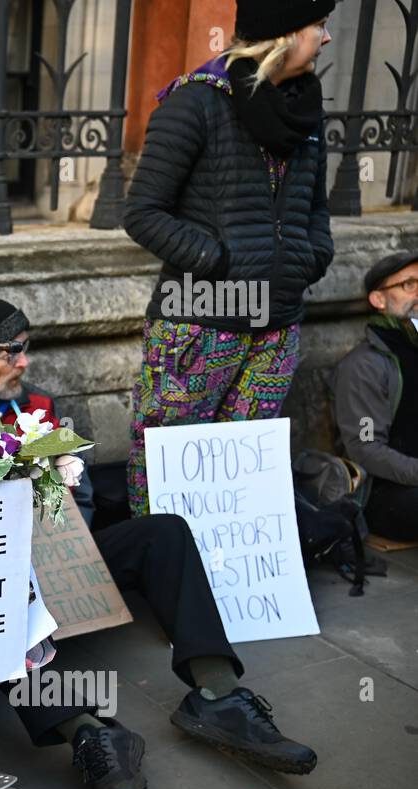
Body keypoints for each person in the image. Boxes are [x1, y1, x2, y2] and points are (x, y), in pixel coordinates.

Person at [0, 295, 318, 789]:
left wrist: (64, 549)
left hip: (53, 557)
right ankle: (90, 735)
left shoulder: (37, 408)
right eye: (13, 351)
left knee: (163, 533)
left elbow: (85, 497)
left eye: (26, 349)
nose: (25, 362)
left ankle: (218, 694)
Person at [123, 0, 335, 516]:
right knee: (168, 463)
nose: (327, 38)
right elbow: (143, 212)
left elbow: (316, 210)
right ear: (284, 34)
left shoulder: (304, 112)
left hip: (277, 326)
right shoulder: (195, 102)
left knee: (240, 476)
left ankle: (229, 589)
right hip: (198, 321)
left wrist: (310, 258)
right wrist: (219, 261)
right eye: (319, 25)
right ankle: (164, 577)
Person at [333, 251, 418, 541]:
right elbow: (366, 446)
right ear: (379, 300)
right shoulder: (364, 367)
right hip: (386, 492)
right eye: (409, 285)